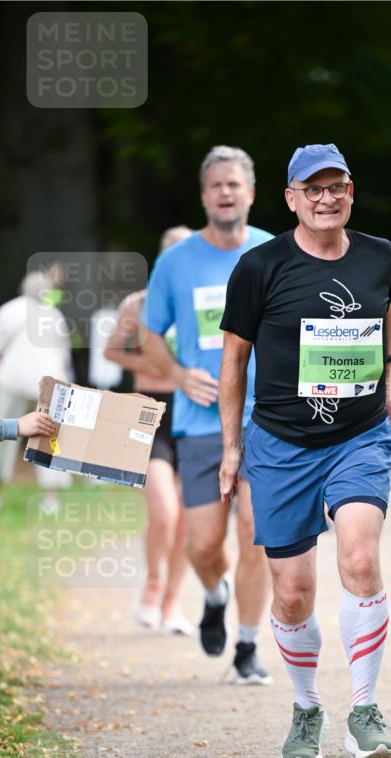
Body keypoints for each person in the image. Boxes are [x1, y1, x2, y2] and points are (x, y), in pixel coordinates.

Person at [219, 142, 391, 758]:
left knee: (359, 555)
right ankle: (306, 709)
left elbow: (387, 316)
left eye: (337, 187)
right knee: (292, 592)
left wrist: (389, 386)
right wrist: (231, 446)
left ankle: (365, 710)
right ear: (292, 199)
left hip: (358, 434)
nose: (326, 199)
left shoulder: (380, 255)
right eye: (313, 190)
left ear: (351, 191)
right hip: (280, 443)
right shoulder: (259, 265)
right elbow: (234, 358)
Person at [139, 146, 272, 684]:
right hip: (200, 423)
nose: (225, 193)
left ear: (251, 194)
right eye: (216, 185)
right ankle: (214, 595)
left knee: (257, 535)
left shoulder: (273, 252)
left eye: (234, 185)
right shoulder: (176, 263)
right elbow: (148, 333)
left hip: (266, 422)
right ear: (204, 195)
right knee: (202, 545)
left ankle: (247, 647)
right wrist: (176, 375)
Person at [104, 226, 194, 635]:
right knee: (164, 513)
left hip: (194, 415)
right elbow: (111, 351)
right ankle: (152, 585)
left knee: (188, 520)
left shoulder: (203, 304)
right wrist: (151, 365)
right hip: (149, 414)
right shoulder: (138, 304)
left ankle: (174, 600)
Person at [0, 269, 73, 512]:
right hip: (49, 384)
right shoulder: (55, 314)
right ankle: (51, 500)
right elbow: (64, 355)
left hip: (12, 380)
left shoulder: (10, 309)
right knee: (47, 438)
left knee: (1, 436)